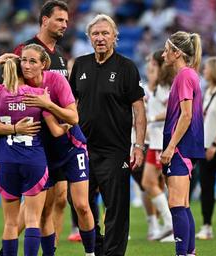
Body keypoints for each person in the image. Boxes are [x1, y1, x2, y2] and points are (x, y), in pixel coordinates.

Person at [0, 44, 96, 256]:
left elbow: (74, 118)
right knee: (45, 212)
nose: (26, 65)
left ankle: (90, 253)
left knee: (81, 205)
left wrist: (47, 104)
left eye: (32, 61)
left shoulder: (56, 80)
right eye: (24, 60)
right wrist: (16, 128)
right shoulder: (17, 86)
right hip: (44, 154)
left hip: (72, 147)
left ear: (43, 64)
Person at [69, 14, 146, 256]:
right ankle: (96, 246)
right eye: (95, 34)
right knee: (78, 202)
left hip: (115, 150)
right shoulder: (80, 65)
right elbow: (71, 105)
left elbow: (139, 110)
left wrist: (139, 146)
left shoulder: (127, 67)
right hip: (83, 147)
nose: (100, 38)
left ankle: (112, 254)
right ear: (89, 38)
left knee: (117, 208)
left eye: (105, 33)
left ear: (115, 37)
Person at [13, 0, 71, 245]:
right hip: (35, 134)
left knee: (59, 197)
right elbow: (8, 91)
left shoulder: (58, 58)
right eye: (59, 20)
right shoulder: (24, 51)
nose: (64, 25)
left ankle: (52, 248)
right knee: (38, 199)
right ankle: (8, 245)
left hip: (58, 136)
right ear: (45, 20)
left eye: (66, 21)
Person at [160, 31, 205, 256]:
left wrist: (170, 147)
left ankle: (182, 253)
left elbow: (186, 115)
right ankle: (189, 252)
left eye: (167, 50)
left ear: (177, 53)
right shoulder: (188, 74)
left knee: (176, 203)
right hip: (186, 146)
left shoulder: (185, 75)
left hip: (180, 147)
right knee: (183, 204)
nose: (163, 54)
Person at [141, 50, 174, 241]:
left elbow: (171, 110)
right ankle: (170, 225)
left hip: (161, 141)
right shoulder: (155, 86)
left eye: (152, 63)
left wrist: (151, 118)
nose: (149, 65)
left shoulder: (164, 87)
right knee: (155, 183)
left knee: (151, 182)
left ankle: (171, 224)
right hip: (155, 141)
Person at [195, 56, 216, 240]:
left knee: (208, 186)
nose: (204, 71)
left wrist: (215, 144)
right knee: (206, 188)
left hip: (215, 147)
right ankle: (207, 225)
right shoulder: (208, 91)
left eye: (207, 68)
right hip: (205, 147)